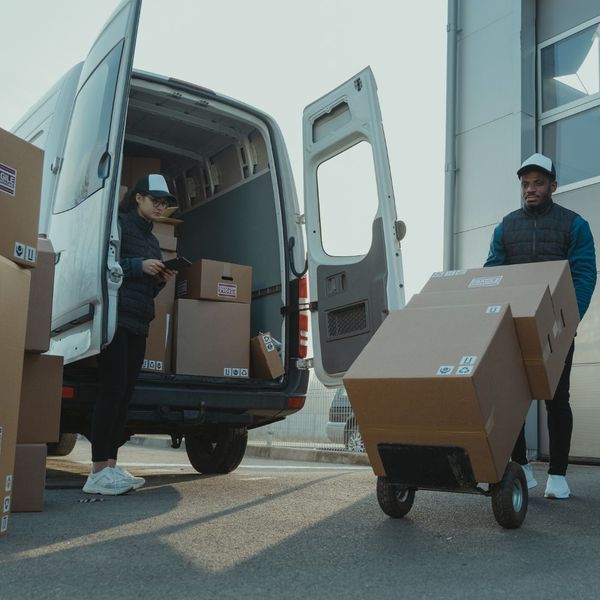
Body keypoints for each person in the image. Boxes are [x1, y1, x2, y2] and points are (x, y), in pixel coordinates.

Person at [484, 153, 596, 499]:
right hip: (513, 327)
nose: (530, 189)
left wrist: (569, 320)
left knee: (556, 398)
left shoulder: (574, 225)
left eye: (538, 183)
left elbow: (584, 274)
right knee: (511, 398)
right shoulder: (506, 226)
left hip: (556, 329)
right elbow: (493, 272)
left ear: (553, 186)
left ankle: (558, 476)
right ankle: (522, 468)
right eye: (526, 184)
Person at [82, 174, 178, 495]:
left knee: (124, 394)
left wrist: (161, 277)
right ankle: (96, 471)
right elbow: (102, 265)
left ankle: (110, 466)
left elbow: (146, 289)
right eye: (155, 200)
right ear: (138, 198)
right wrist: (139, 266)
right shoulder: (119, 225)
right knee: (111, 390)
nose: (160, 207)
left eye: (164, 203)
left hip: (139, 321)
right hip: (116, 318)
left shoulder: (152, 240)